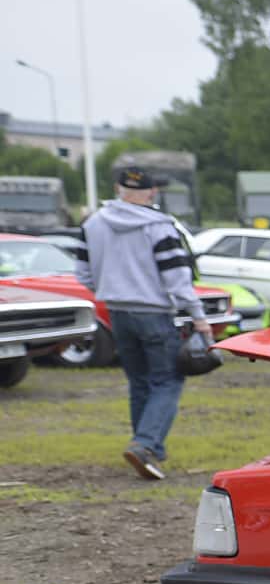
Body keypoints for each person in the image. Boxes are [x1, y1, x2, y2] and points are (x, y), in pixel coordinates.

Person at [74, 166, 212, 480]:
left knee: (139, 383)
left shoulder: (93, 223)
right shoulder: (160, 226)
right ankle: (146, 444)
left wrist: (110, 292)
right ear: (151, 192)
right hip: (154, 313)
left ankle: (149, 448)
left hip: (118, 313)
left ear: (117, 188)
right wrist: (200, 319)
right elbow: (177, 279)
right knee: (168, 381)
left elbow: (82, 273)